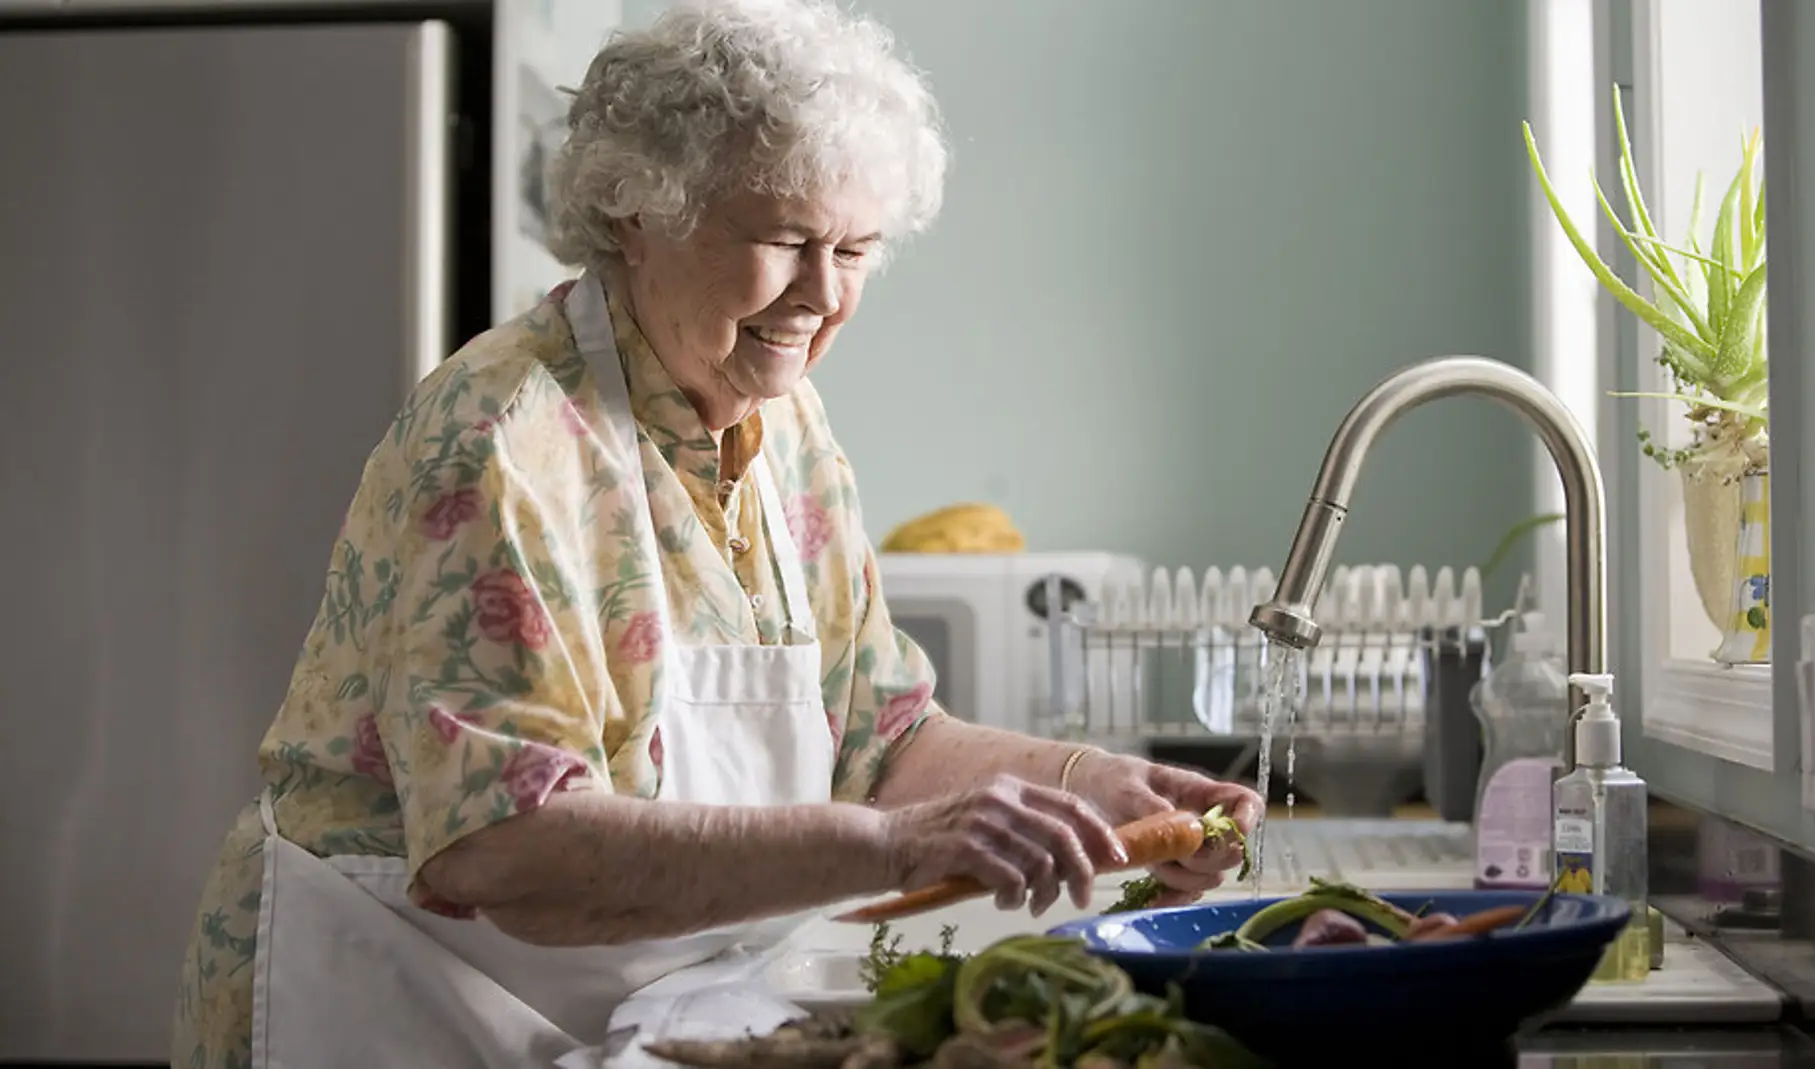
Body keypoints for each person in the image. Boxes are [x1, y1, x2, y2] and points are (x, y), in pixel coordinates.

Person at [171, 1, 1262, 1065]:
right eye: (787, 239)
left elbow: (876, 739)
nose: (821, 295)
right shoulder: (506, 438)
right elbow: (507, 851)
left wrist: (1096, 784)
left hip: (646, 1006)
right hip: (410, 1004)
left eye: (857, 249)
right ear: (642, 214)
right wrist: (892, 848)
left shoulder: (783, 423)